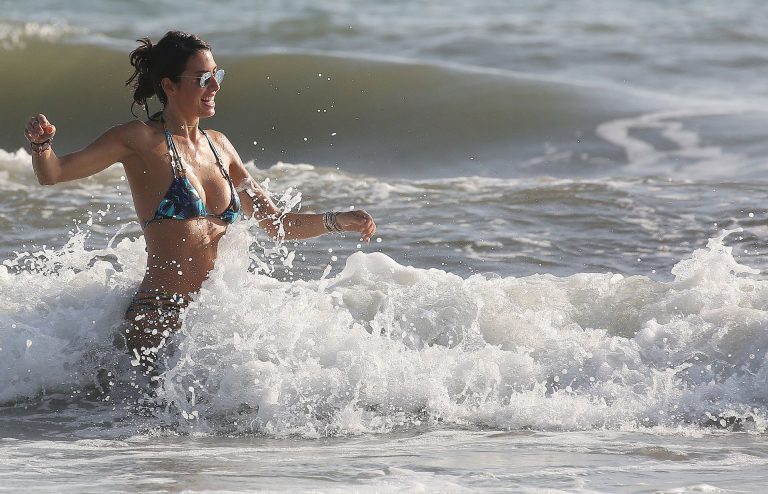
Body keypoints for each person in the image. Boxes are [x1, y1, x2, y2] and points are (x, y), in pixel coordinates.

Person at [23, 30, 376, 374]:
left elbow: (277, 224)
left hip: (211, 326)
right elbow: (54, 173)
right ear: (169, 85)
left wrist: (338, 220)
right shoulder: (139, 139)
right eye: (203, 77)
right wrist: (42, 146)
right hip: (157, 319)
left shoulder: (220, 146)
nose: (215, 86)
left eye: (216, 74)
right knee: (145, 434)